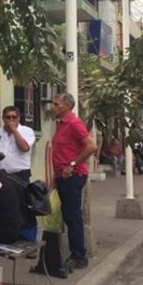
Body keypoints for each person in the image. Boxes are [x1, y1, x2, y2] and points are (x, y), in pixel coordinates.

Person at [50, 92, 97, 272]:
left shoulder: (74, 123)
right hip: (62, 176)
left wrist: (72, 164)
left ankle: (79, 255)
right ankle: (74, 252)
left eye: (57, 104)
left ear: (67, 106)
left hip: (73, 176)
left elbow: (91, 146)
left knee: (73, 216)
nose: (53, 107)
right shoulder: (60, 124)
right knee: (68, 215)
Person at [0, 105, 35, 184]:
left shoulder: (27, 131)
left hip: (20, 175)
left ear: (19, 118)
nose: (11, 119)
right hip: (2, 175)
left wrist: (14, 130)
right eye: (8, 117)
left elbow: (24, 148)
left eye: (14, 117)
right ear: (3, 119)